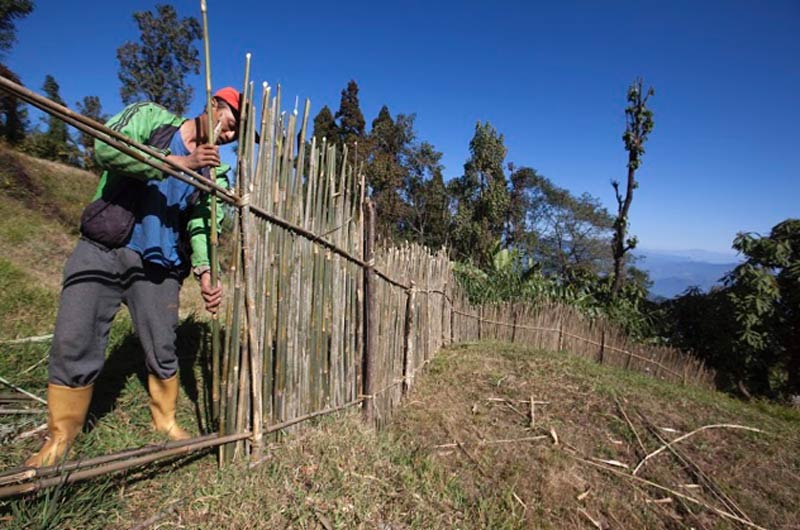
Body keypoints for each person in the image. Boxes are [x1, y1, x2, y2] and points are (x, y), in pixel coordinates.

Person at [25, 87, 244, 467]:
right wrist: (179, 162)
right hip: (104, 245)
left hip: (159, 264)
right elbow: (107, 148)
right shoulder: (149, 118)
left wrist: (206, 272)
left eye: (235, 134)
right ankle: (61, 436)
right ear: (214, 105)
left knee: (162, 346)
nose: (229, 135)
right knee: (74, 335)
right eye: (231, 123)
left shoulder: (218, 172)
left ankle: (166, 421)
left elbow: (202, 225)